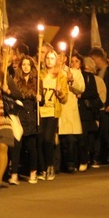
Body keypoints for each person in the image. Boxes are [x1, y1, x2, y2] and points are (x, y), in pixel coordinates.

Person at [0, 52, 22, 190]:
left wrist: (7, 91)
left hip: (3, 115)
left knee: (2, 146)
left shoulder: (5, 77)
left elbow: (18, 95)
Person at [38, 47, 69, 180]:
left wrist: (60, 91)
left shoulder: (61, 75)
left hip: (52, 111)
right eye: (47, 58)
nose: (49, 61)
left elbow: (65, 98)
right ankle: (42, 168)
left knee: (47, 139)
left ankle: (50, 166)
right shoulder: (40, 74)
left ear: (56, 60)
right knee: (39, 140)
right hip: (40, 111)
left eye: (52, 58)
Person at [13, 55, 40, 183]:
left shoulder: (36, 81)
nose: (26, 67)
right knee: (17, 145)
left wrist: (41, 98)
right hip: (20, 114)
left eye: (28, 64)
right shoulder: (16, 81)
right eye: (23, 64)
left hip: (32, 116)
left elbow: (42, 101)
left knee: (31, 146)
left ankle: (33, 172)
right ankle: (14, 173)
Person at [58, 52, 85, 173]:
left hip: (68, 109)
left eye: (62, 56)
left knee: (69, 138)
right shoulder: (52, 71)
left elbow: (81, 88)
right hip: (55, 108)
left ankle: (70, 163)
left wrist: (72, 80)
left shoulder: (73, 72)